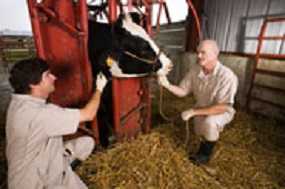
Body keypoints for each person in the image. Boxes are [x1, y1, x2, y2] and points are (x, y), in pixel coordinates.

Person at [6, 58, 107, 188]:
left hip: (44, 161)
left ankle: (63, 162)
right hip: (37, 183)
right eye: (47, 75)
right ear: (33, 84)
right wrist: (99, 87)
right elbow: (89, 114)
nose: (54, 77)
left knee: (87, 142)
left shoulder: (19, 103)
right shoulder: (40, 114)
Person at [158, 39, 238, 165]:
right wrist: (167, 85)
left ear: (215, 54)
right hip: (201, 108)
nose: (198, 56)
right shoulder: (195, 70)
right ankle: (212, 132)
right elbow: (183, 91)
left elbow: (223, 106)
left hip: (222, 110)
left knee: (210, 123)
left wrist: (193, 111)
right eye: (198, 52)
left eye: (203, 52)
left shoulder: (227, 76)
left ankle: (204, 155)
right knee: (200, 131)